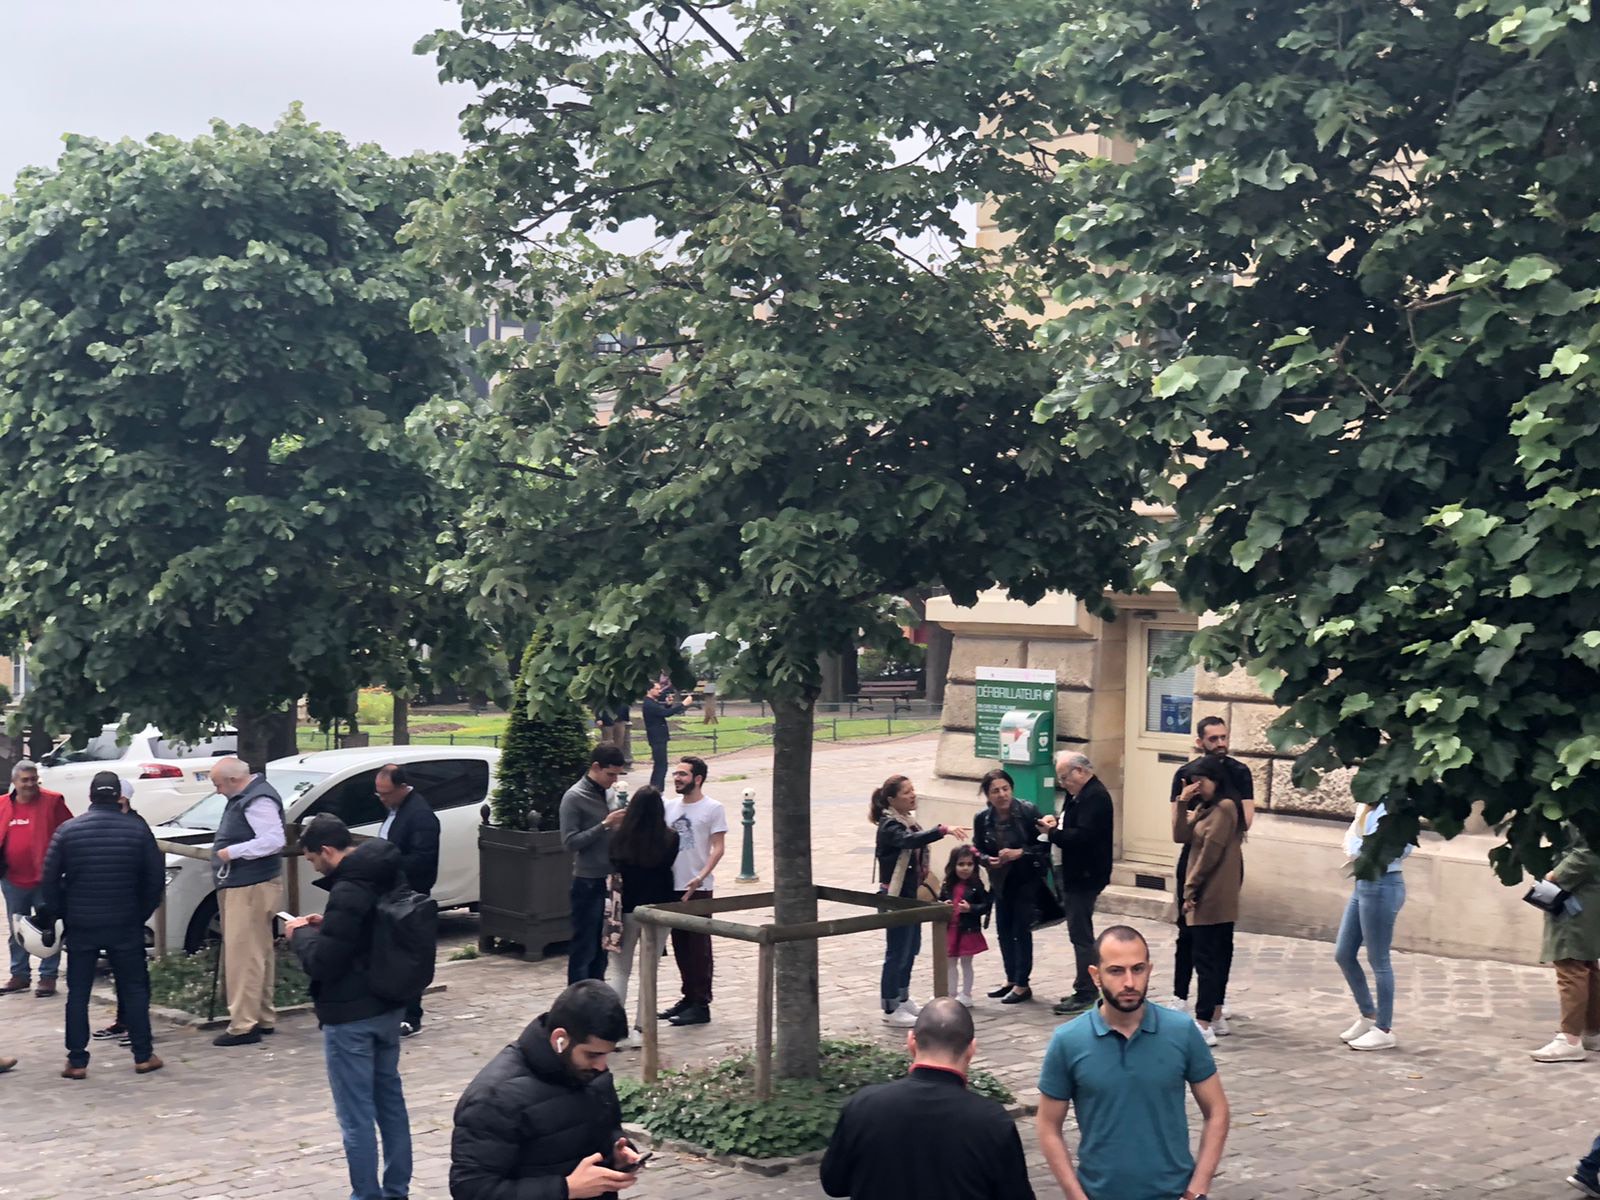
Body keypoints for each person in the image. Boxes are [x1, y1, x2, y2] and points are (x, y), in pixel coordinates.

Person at [1037, 925, 1229, 1200]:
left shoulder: (1181, 1031)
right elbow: (1048, 1125)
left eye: (1137, 969)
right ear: (1096, 976)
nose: (1129, 982)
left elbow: (1217, 1110)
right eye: (1116, 971)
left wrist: (1198, 1189)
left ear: (1149, 970)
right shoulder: (1068, 1041)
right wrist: (1075, 1195)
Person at [285, 814, 413, 1200]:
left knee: (356, 1115)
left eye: (311, 859)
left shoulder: (348, 888)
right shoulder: (387, 872)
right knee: (390, 1103)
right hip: (388, 1004)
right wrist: (328, 925)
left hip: (350, 1014)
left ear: (326, 850)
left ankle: (366, 1195)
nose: (313, 866)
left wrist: (301, 935)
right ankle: (396, 1189)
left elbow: (324, 962)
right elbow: (369, 930)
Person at [820, 996, 1034, 1200]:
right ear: (971, 1049)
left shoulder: (864, 1106)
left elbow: (834, 1184)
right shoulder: (991, 1122)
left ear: (911, 1041)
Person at [450, 979, 644, 1199]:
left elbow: (603, 1129)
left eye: (607, 1053)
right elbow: (472, 1189)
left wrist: (616, 1152)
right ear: (559, 1039)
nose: (602, 1065)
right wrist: (566, 1188)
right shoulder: (494, 1098)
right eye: (592, 1054)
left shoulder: (591, 1074)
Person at [38, 770, 164, 1079]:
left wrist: (58, 915)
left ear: (91, 795)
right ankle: (143, 1055)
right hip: (125, 922)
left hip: (81, 924)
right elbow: (154, 880)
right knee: (133, 989)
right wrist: (139, 913)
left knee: (78, 992)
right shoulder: (137, 830)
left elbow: (49, 881)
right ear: (118, 795)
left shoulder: (68, 831)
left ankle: (77, 1061)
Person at [1169, 717, 1253, 1012]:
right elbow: (1179, 834)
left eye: (1223, 737)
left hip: (1221, 862)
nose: (1220, 743)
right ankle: (1180, 994)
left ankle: (1215, 1002)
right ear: (1199, 742)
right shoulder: (1188, 776)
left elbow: (1246, 820)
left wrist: (1217, 822)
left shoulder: (1239, 774)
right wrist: (1184, 801)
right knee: (1187, 932)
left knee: (1219, 937)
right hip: (1192, 857)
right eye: (1213, 738)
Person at [207, 755, 287, 1047]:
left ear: (232, 780)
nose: (217, 791)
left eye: (217, 784)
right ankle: (262, 1017)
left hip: (249, 885)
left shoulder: (256, 800)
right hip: (250, 884)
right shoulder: (250, 796)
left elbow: (273, 840)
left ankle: (244, 1024)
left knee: (244, 956)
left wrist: (233, 852)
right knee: (258, 953)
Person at [871, 774, 961, 1025]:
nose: (913, 795)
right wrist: (941, 830)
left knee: (911, 948)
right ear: (891, 799)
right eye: (906, 792)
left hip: (911, 896)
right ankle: (890, 1007)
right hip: (895, 897)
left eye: (913, 790)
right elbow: (907, 842)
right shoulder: (890, 826)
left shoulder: (907, 820)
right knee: (897, 950)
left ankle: (902, 996)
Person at [1171, 757, 1245, 1047]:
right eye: (1194, 781)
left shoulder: (1226, 808)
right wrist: (1181, 802)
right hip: (1206, 890)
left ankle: (1204, 1021)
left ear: (1216, 778)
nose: (1197, 786)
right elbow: (1181, 836)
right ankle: (1213, 1016)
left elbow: (1209, 855)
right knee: (1208, 953)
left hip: (1213, 893)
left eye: (1202, 780)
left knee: (1208, 957)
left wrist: (1190, 890)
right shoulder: (1205, 807)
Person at [603, 784, 679, 1049]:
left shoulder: (618, 837)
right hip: (659, 909)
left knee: (619, 971)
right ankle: (642, 1028)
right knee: (650, 971)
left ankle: (613, 1031)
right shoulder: (670, 837)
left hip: (625, 909)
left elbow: (613, 864)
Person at [1333, 801, 1413, 1052]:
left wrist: (1360, 847)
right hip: (1363, 882)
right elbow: (1352, 842)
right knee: (1344, 953)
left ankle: (1384, 1028)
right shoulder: (1367, 806)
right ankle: (1368, 1014)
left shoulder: (1395, 807)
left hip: (1383, 883)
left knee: (1379, 959)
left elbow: (1396, 848)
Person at [1042, 751, 1115, 1017]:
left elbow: (1081, 837)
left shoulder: (1095, 797)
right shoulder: (1079, 794)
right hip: (1076, 873)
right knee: (1078, 932)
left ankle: (1087, 990)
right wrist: (1055, 824)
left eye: (1065, 777)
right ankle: (1084, 985)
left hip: (1085, 875)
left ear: (1081, 771)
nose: (1063, 783)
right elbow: (1070, 825)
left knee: (1081, 934)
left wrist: (1051, 833)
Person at [660, 755, 727, 1027]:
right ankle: (687, 997)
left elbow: (718, 847)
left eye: (683, 774)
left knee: (699, 947)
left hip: (698, 886)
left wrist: (701, 877)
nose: (677, 778)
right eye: (675, 774)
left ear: (697, 779)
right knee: (680, 945)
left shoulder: (713, 808)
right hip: (672, 885)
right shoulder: (669, 807)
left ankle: (701, 1003)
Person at [972, 768, 1049, 1005]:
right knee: (1003, 930)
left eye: (1005, 789)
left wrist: (1019, 853)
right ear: (987, 795)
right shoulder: (983, 819)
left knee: (1020, 931)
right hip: (1000, 881)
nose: (1002, 794)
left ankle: (1023, 983)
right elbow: (976, 848)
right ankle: (1011, 978)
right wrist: (986, 860)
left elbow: (1044, 845)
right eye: (995, 791)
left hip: (1025, 879)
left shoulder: (1027, 812)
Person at [375, 762, 440, 1037]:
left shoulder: (420, 816)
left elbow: (423, 861)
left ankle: (411, 1014)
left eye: (386, 793)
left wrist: (386, 862)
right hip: (390, 893)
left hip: (410, 897)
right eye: (378, 794)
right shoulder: (395, 809)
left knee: (409, 956)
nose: (382, 799)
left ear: (402, 788)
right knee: (391, 954)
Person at [0, 760, 73, 996]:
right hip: (13, 879)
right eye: (25, 780)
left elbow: (69, 831)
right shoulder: (2, 805)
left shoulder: (53, 801)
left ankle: (48, 977)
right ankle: (19, 975)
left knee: (49, 927)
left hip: (46, 879)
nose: (30, 784)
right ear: (14, 782)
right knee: (17, 929)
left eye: (34, 779)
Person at [1529, 825, 1600, 1063]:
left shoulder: (1583, 798)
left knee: (1571, 963)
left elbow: (1587, 853)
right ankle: (1593, 1031)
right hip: (1588, 894)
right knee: (1586, 962)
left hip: (1576, 895)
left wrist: (1554, 876)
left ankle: (1569, 1039)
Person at [560, 744, 629, 985]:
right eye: (610, 774)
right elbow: (569, 842)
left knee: (604, 947)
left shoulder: (608, 793)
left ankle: (597, 998)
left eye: (618, 774)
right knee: (584, 947)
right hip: (587, 882)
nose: (614, 780)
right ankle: (577, 1000)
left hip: (611, 881)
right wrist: (604, 825)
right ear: (595, 767)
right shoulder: (574, 797)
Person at [93, 779, 149, 1047]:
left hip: (129, 913)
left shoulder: (137, 826)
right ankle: (122, 1020)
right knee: (119, 974)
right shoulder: (107, 823)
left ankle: (135, 1027)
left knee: (135, 977)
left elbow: (150, 875)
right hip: (107, 914)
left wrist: (141, 910)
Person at [937, 844, 990, 1008]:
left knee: (966, 963)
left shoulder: (977, 885)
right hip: (950, 929)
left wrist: (971, 908)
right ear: (953, 865)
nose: (965, 868)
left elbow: (986, 905)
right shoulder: (948, 884)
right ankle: (951, 993)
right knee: (950, 962)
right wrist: (942, 904)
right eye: (961, 864)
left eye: (969, 864)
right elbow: (939, 899)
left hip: (968, 930)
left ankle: (966, 994)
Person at [640, 681, 688, 791]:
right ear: (649, 690)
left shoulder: (653, 702)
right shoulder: (649, 703)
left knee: (661, 765)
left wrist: (667, 704)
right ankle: (656, 789)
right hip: (657, 737)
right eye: (657, 689)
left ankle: (656, 788)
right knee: (661, 765)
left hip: (659, 736)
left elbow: (661, 711)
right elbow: (665, 713)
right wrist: (683, 705)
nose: (660, 690)